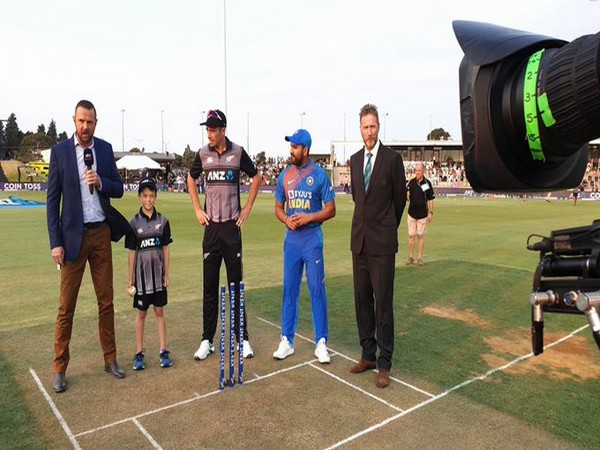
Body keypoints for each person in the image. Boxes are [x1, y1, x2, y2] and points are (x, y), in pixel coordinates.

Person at [47, 99, 130, 393]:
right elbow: (52, 201)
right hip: (71, 240)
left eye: (90, 122)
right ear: (74, 120)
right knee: (66, 306)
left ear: (96, 123)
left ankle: (110, 360)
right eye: (81, 121)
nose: (85, 127)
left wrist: (102, 182)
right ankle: (59, 368)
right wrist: (56, 243)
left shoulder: (104, 150)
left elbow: (118, 189)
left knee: (106, 303)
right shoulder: (59, 153)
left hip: (100, 235)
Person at [187, 109, 261, 361]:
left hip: (231, 228)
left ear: (223, 131)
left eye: (212, 129)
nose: (209, 133)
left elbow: (256, 176)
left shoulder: (238, 152)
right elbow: (190, 177)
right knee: (209, 288)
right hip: (211, 229)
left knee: (235, 287)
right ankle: (207, 340)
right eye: (207, 129)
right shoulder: (202, 154)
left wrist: (248, 207)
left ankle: (243, 340)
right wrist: (197, 207)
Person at [349, 103, 407, 389]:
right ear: (359, 129)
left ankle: (384, 363)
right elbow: (358, 200)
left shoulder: (392, 159)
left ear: (378, 127)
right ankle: (367, 354)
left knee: (383, 303)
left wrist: (386, 228)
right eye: (364, 127)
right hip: (359, 242)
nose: (369, 132)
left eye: (372, 127)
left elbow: (400, 200)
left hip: (383, 244)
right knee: (362, 300)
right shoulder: (354, 159)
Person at [272, 129, 336, 363]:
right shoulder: (285, 175)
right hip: (292, 240)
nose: (291, 150)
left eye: (295, 147)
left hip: (312, 238)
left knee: (317, 289)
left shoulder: (319, 175)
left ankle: (321, 342)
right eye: (291, 146)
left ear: (305, 149)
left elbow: (331, 209)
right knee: (290, 289)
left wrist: (309, 218)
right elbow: (279, 207)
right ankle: (287, 340)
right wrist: (286, 219)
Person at [125, 177, 173, 370]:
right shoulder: (133, 223)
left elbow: (166, 249)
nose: (148, 200)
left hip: (158, 278)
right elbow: (131, 253)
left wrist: (166, 274)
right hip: (142, 280)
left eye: (151, 196)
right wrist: (130, 279)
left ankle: (163, 350)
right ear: (139, 197)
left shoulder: (163, 221)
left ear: (155, 196)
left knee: (159, 311)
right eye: (145, 196)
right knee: (142, 314)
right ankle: (139, 352)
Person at [406, 162, 435, 266]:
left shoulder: (427, 183)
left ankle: (419, 258)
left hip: (423, 214)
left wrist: (431, 213)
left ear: (423, 171)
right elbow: (407, 194)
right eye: (416, 171)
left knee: (420, 236)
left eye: (419, 171)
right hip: (411, 214)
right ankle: (411, 257)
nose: (417, 172)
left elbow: (431, 199)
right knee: (411, 235)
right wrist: (407, 195)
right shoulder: (411, 182)